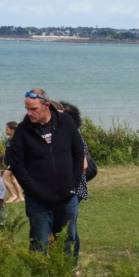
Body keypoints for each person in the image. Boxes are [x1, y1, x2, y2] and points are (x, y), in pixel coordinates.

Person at [7, 89, 85, 257]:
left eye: (33, 109)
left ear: (46, 106)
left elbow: (78, 152)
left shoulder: (65, 122)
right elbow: (16, 163)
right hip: (39, 203)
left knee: (67, 242)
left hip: (67, 198)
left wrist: (74, 182)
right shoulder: (22, 130)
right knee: (38, 245)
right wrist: (32, 189)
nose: (29, 113)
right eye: (27, 109)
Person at [59, 100, 99, 259]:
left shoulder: (75, 137)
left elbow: (82, 164)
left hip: (74, 187)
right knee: (66, 226)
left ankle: (72, 260)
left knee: (70, 227)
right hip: (70, 186)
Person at [2, 121, 25, 203]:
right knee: (13, 180)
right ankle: (20, 196)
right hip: (9, 163)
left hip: (13, 163)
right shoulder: (9, 139)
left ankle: (12, 195)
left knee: (3, 179)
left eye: (7, 129)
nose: (5, 130)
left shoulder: (16, 140)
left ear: (13, 130)